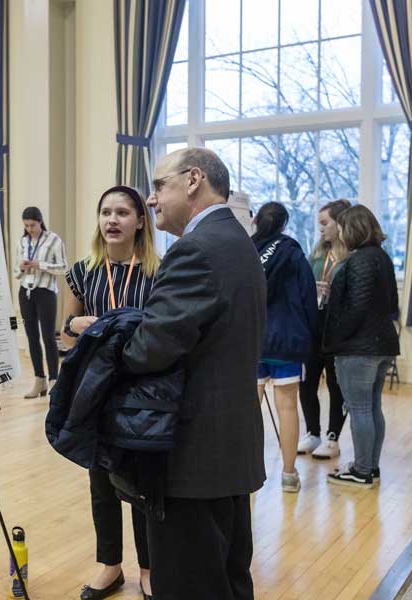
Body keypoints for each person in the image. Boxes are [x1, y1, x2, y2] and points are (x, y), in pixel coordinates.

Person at [120, 148, 266, 599]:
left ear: (193, 180)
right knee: (229, 581)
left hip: (192, 460)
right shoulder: (238, 241)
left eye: (159, 185)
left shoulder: (195, 251)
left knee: (189, 585)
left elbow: (148, 350)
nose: (151, 198)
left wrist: (110, 335)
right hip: (228, 452)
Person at [62, 185, 160, 599]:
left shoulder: (160, 271)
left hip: (144, 392)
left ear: (140, 220)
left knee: (141, 485)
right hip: (95, 393)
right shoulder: (82, 271)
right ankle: (110, 566)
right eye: (106, 212)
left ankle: (149, 569)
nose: (112, 220)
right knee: (99, 480)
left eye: (122, 212)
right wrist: (76, 327)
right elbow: (62, 333)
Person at [323, 205, 399, 488]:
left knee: (360, 409)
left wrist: (335, 340)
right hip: (383, 343)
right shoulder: (382, 257)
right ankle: (370, 466)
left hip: (359, 348)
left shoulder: (357, 262)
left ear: (352, 229)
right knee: (372, 408)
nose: (339, 232)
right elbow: (391, 304)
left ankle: (362, 471)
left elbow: (353, 311)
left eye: (342, 227)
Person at [252, 202, 318, 493]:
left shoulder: (246, 252)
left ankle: (246, 474)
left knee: (248, 408)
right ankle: (289, 475)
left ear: (255, 222)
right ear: (284, 224)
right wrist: (313, 338)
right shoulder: (293, 253)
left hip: (252, 341)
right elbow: (309, 298)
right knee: (288, 406)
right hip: (288, 341)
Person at [298, 199, 351, 459]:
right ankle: (312, 432)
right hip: (313, 327)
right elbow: (303, 282)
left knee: (335, 384)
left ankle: (333, 437)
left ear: (340, 224)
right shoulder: (316, 253)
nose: (321, 229)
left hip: (337, 331)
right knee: (306, 383)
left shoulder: (350, 256)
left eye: (324, 223)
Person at [12, 206, 67, 397]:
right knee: (32, 338)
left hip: (46, 292)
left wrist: (40, 265)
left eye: (32, 225)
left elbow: (63, 268)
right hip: (25, 292)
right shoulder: (22, 242)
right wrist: (21, 267)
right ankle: (39, 380)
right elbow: (15, 272)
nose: (29, 229)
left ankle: (54, 380)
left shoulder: (54, 240)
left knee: (48, 337)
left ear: (40, 221)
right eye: (26, 225)